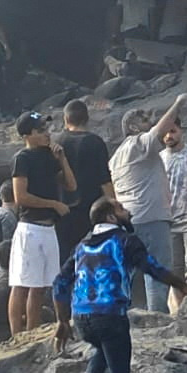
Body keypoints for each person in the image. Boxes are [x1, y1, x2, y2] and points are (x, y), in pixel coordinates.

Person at [55, 197, 187, 373]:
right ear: (111, 218)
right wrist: (184, 286)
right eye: (122, 209)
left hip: (81, 318)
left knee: (103, 346)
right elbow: (153, 268)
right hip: (111, 314)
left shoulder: (81, 246)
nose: (129, 213)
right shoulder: (125, 241)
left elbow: (59, 283)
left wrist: (61, 320)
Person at [108, 95, 187, 314]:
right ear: (134, 127)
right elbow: (160, 129)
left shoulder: (116, 156)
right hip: (151, 217)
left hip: (128, 221)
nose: (150, 124)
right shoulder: (139, 143)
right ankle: (156, 317)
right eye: (145, 120)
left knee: (129, 272)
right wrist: (177, 104)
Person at [8, 112, 76, 336]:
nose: (47, 134)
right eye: (40, 130)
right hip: (30, 226)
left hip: (49, 228)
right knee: (22, 283)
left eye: (46, 129)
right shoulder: (23, 158)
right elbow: (21, 196)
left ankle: (32, 331)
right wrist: (53, 204)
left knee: (39, 286)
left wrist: (62, 159)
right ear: (27, 135)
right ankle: (18, 335)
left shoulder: (49, 156)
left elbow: (71, 186)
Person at [55, 100, 115, 260]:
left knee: (65, 261)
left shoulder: (57, 142)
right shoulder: (94, 142)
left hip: (62, 211)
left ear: (66, 119)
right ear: (87, 119)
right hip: (90, 210)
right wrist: (113, 207)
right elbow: (105, 180)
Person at [160, 119, 187, 291]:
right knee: (174, 265)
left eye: (172, 131)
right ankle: (178, 308)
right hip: (167, 218)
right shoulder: (159, 157)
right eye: (165, 133)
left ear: (181, 131)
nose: (168, 136)